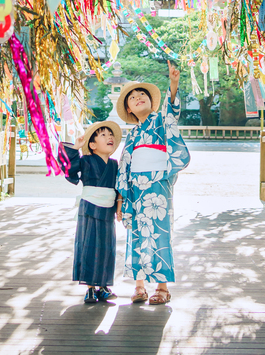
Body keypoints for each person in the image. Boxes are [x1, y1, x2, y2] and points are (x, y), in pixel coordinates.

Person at [116, 61, 190, 305]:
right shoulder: (132, 135)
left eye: (142, 94)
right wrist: (121, 197)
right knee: (136, 234)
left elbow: (172, 113)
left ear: (151, 101)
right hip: (136, 187)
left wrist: (174, 84)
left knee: (159, 233)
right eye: (133, 97)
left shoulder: (161, 120)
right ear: (128, 108)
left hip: (158, 184)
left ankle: (162, 287)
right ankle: (139, 286)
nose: (138, 98)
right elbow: (124, 166)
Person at [61, 120, 123, 304]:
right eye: (103, 135)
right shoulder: (86, 160)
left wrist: (119, 207)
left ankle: (103, 286)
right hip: (89, 208)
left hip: (108, 210)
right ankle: (90, 288)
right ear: (92, 145)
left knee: (107, 247)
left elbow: (119, 187)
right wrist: (76, 148)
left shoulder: (114, 164)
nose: (109, 137)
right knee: (88, 245)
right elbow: (68, 171)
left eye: (110, 135)